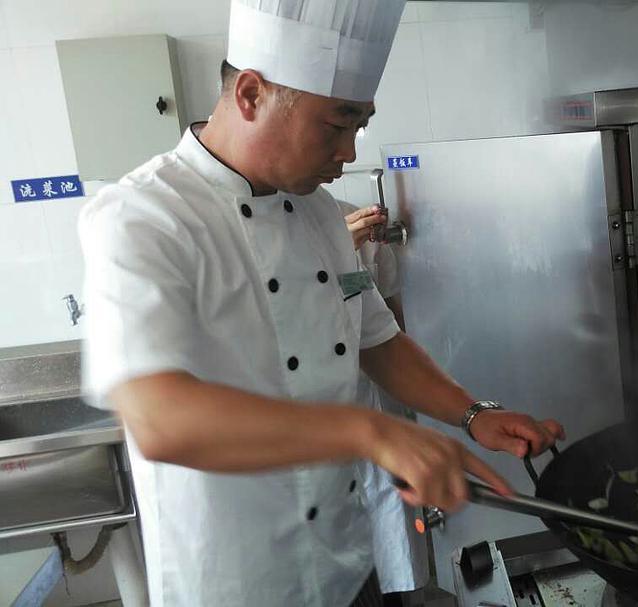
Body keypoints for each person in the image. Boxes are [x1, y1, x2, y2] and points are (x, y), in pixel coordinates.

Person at [77, 1, 564, 605]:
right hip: (235, 580)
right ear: (251, 94)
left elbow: (377, 341)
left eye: (359, 126)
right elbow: (158, 420)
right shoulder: (143, 217)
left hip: (344, 561)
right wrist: (371, 431)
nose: (349, 152)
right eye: (336, 126)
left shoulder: (321, 213)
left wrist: (472, 414)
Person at [340, 200, 427, 604]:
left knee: (392, 551)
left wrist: (468, 414)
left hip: (381, 407)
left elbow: (390, 323)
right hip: (325, 429)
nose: (340, 168)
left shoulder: (356, 223)